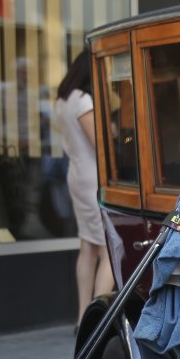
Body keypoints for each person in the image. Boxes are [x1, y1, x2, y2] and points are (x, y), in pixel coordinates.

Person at [52, 49, 112, 318]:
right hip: (93, 177)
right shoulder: (83, 100)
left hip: (76, 174)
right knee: (108, 249)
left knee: (87, 245)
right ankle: (96, 319)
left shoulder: (63, 99)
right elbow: (100, 143)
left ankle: (81, 316)